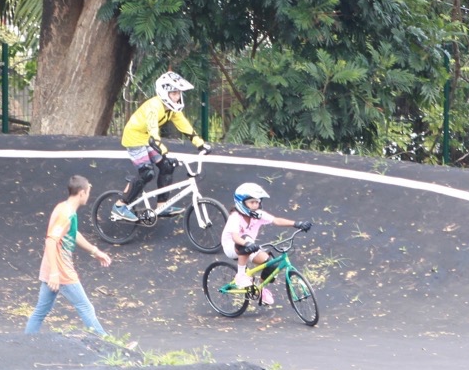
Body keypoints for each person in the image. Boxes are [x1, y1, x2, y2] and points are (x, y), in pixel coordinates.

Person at [113, 71, 209, 221]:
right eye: (174, 93)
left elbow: (184, 125)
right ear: (165, 93)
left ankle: (161, 206)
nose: (177, 97)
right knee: (147, 173)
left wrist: (200, 144)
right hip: (135, 138)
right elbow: (153, 133)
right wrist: (164, 152)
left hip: (146, 138)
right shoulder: (154, 107)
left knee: (167, 167)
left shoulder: (171, 109)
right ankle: (120, 205)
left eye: (179, 93)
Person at [26, 175, 113, 336]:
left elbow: (73, 233)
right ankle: (107, 344)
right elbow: (51, 241)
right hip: (61, 271)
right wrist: (54, 273)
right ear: (81, 193)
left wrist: (95, 251)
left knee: (40, 312)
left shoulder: (64, 208)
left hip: (52, 268)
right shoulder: (66, 215)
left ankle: (26, 344)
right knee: (85, 307)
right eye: (88, 192)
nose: (88, 196)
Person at [220, 182, 312, 304]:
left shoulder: (258, 215)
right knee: (245, 239)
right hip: (232, 247)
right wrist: (247, 243)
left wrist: (296, 224)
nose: (256, 205)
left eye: (258, 202)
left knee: (271, 265)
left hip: (249, 246)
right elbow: (236, 238)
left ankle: (260, 290)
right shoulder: (235, 217)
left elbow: (276, 220)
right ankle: (241, 276)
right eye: (252, 202)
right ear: (242, 202)